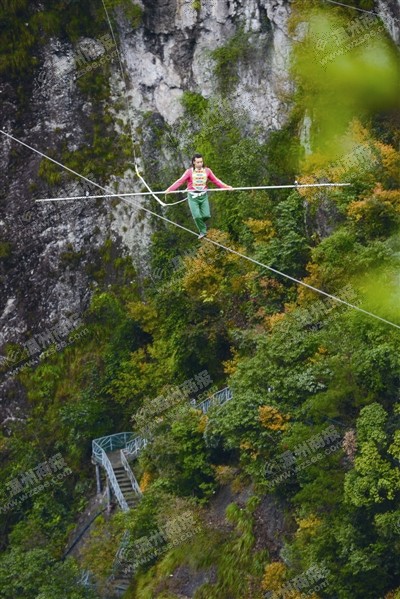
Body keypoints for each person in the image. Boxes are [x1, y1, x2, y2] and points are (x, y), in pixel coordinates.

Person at [165, 153, 233, 239]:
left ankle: (199, 223)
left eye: (201, 162)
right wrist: (170, 189)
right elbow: (180, 181)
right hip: (193, 197)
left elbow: (216, 180)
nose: (200, 164)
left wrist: (226, 187)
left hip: (203, 196)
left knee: (206, 215)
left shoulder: (207, 171)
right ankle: (203, 231)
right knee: (197, 216)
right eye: (198, 162)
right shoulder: (189, 172)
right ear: (193, 162)